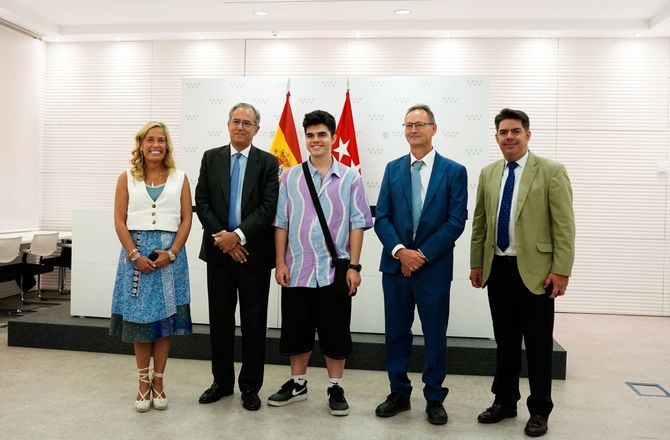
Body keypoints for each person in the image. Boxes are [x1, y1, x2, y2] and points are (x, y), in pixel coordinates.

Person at [469, 108, 575, 437]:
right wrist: (477, 263)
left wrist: (561, 270)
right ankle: (504, 402)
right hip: (498, 269)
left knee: (539, 344)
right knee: (506, 341)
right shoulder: (489, 173)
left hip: (537, 272)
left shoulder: (551, 171)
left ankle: (540, 410)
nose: (509, 137)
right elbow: (481, 223)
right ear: (497, 137)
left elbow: (564, 226)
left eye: (516, 131)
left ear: (528, 135)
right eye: (503, 132)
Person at [267, 110, 373, 416]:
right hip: (297, 268)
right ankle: (297, 383)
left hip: (333, 270)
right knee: (296, 330)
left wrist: (354, 266)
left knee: (335, 331)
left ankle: (335, 386)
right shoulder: (289, 176)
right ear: (305, 139)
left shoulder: (350, 178)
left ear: (333, 138)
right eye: (310, 135)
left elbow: (357, 223)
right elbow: (282, 223)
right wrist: (279, 262)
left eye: (322, 135)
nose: (316, 140)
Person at [373, 104, 468, 425]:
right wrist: (401, 251)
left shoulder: (454, 171)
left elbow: (456, 221)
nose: (413, 130)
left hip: (434, 268)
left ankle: (434, 396)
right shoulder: (392, 168)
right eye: (408, 125)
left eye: (420, 125)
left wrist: (421, 254)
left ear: (434, 128)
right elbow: (381, 216)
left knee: (435, 334)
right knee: (396, 332)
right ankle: (398, 392)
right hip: (396, 266)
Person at [195, 102, 279, 411]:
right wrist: (225, 240)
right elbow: (201, 202)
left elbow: (268, 207)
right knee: (219, 321)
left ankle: (250, 387)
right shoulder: (210, 158)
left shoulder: (268, 163)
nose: (240, 127)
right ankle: (222, 382)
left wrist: (239, 236)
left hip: (253, 256)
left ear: (257, 129)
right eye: (236, 121)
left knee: (254, 323)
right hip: (219, 255)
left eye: (247, 123)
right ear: (228, 125)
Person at [110, 121, 193, 412]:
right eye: (150, 140)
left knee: (163, 323)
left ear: (167, 145)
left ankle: (159, 381)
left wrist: (172, 252)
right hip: (135, 258)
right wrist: (134, 255)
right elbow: (120, 221)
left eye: (161, 140)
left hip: (169, 259)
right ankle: (143, 383)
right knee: (139, 322)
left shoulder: (180, 177)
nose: (155, 145)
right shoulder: (126, 178)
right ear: (141, 145)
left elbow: (186, 219)